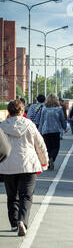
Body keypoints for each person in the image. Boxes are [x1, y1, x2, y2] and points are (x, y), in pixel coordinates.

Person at [0, 99, 48, 236]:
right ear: (22, 111)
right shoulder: (29, 125)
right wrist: (44, 162)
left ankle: (14, 223)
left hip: (8, 166)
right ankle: (22, 221)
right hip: (28, 165)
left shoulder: (2, 126)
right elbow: (40, 145)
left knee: (12, 196)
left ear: (9, 112)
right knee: (26, 196)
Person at [38, 94, 67, 170]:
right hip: (55, 130)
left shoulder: (44, 109)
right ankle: (52, 158)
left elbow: (42, 120)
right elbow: (62, 119)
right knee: (56, 147)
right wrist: (65, 127)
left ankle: (49, 160)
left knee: (47, 147)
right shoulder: (59, 109)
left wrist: (39, 130)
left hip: (46, 131)